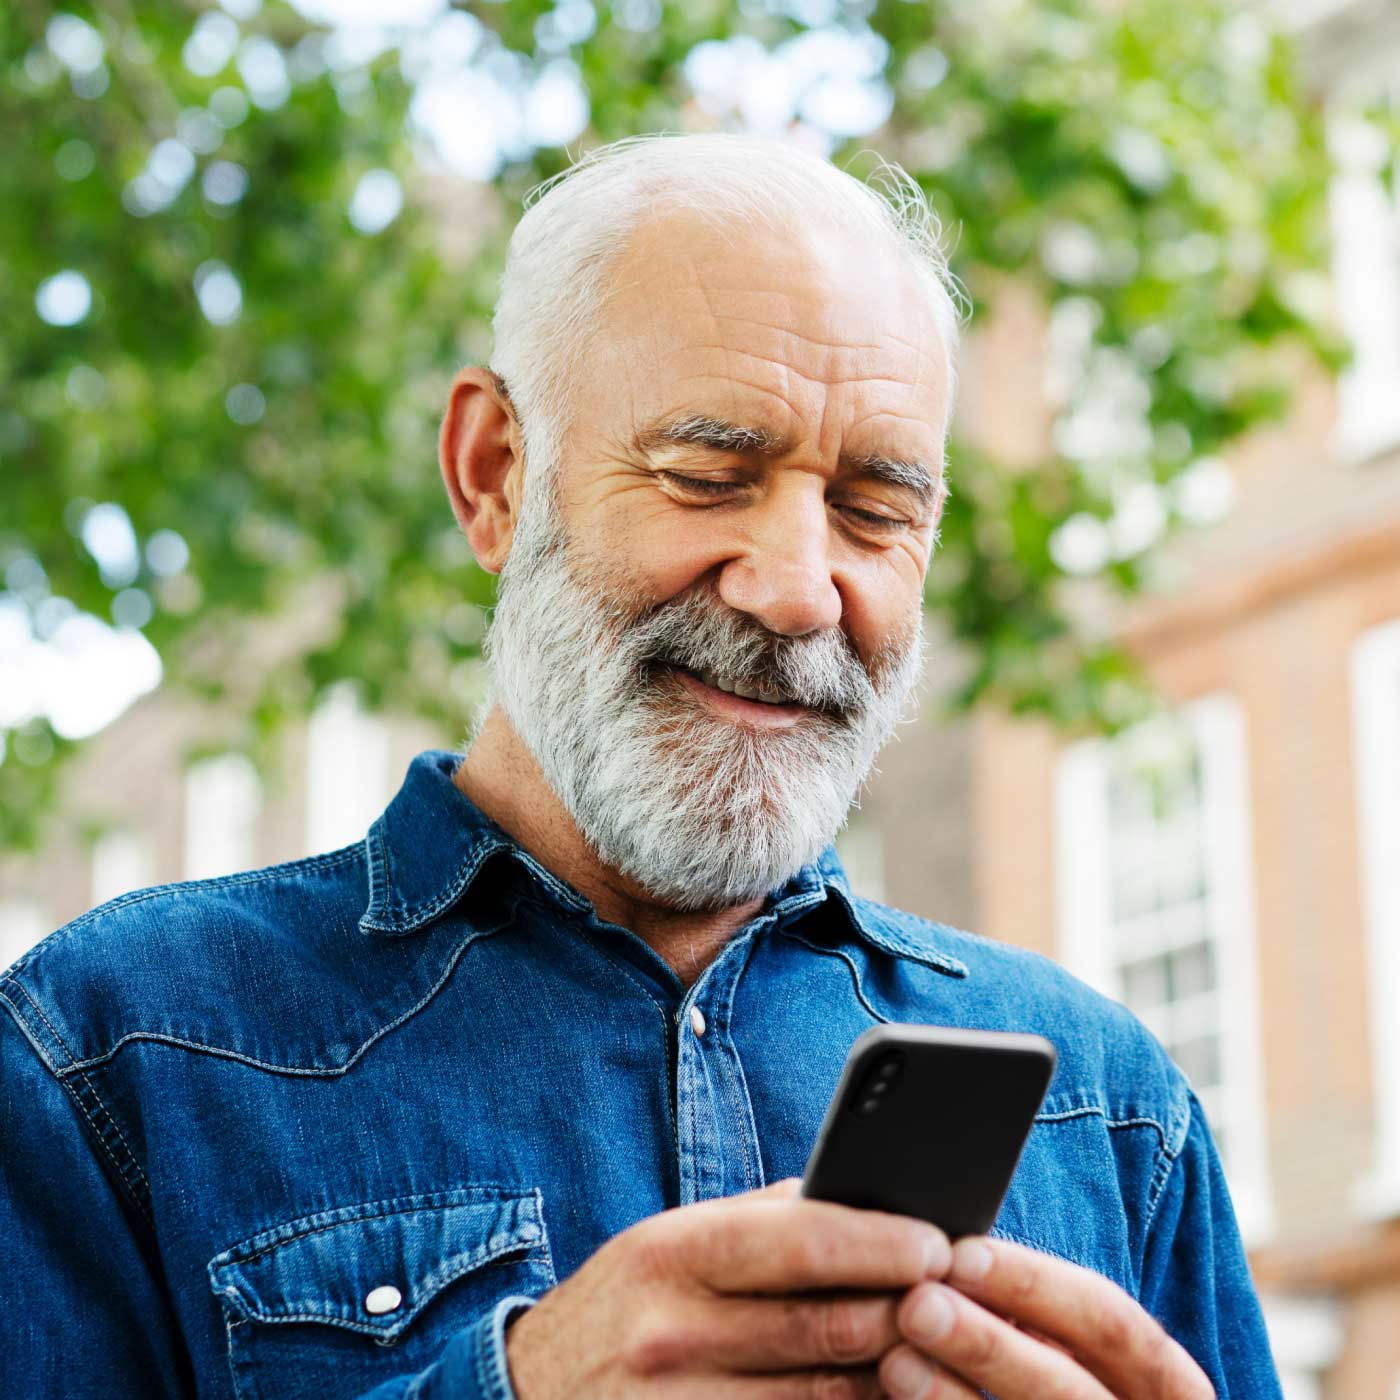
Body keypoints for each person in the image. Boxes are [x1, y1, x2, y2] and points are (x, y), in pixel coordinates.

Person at [0, 133, 1276, 1400]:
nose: (795, 591)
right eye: (707, 475)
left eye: (876, 512)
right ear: (494, 475)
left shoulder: (1112, 1114)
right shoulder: (115, 1050)